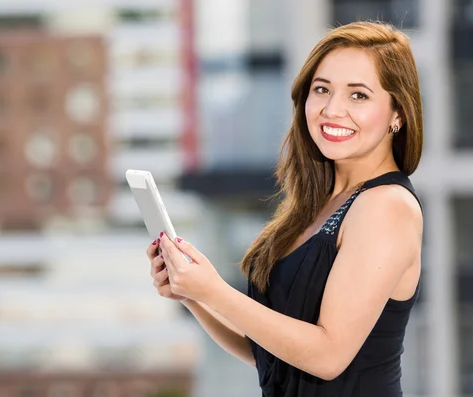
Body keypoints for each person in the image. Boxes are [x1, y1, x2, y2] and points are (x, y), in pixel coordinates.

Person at [148, 20, 423, 397]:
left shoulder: (387, 206)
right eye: (321, 89)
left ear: (398, 114)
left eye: (358, 95)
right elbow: (268, 354)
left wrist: (214, 292)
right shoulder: (320, 206)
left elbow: (328, 356)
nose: (332, 109)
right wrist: (193, 296)